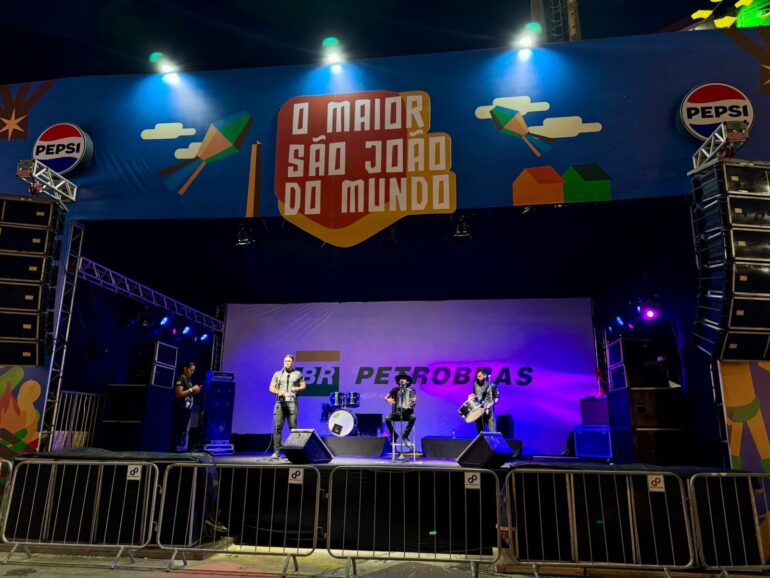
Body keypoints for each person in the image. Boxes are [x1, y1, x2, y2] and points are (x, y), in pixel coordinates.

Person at [269, 354, 306, 459]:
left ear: (293, 363)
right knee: (277, 427)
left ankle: (294, 452)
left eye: (289, 361)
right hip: (280, 403)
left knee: (293, 428)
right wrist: (280, 392)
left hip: (292, 403)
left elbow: (304, 385)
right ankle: (277, 452)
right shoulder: (278, 374)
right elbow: (271, 388)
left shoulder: (297, 373)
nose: (287, 363)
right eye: (285, 361)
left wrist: (297, 388)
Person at [171, 361, 202, 452]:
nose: (192, 372)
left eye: (193, 371)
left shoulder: (189, 380)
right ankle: (175, 451)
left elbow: (189, 394)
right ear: (185, 369)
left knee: (184, 431)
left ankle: (182, 449)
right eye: (191, 370)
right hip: (181, 409)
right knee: (179, 430)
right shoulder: (181, 378)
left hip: (187, 409)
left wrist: (195, 391)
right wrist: (192, 389)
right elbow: (178, 394)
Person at [385, 373, 417, 448]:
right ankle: (394, 434)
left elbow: (413, 403)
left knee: (413, 417)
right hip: (396, 413)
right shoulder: (395, 389)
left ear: (407, 382)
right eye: (400, 379)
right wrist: (388, 400)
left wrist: (414, 402)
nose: (402, 380)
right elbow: (385, 397)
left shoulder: (412, 391)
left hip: (406, 414)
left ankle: (405, 436)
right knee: (387, 418)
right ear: (398, 381)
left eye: (404, 379)